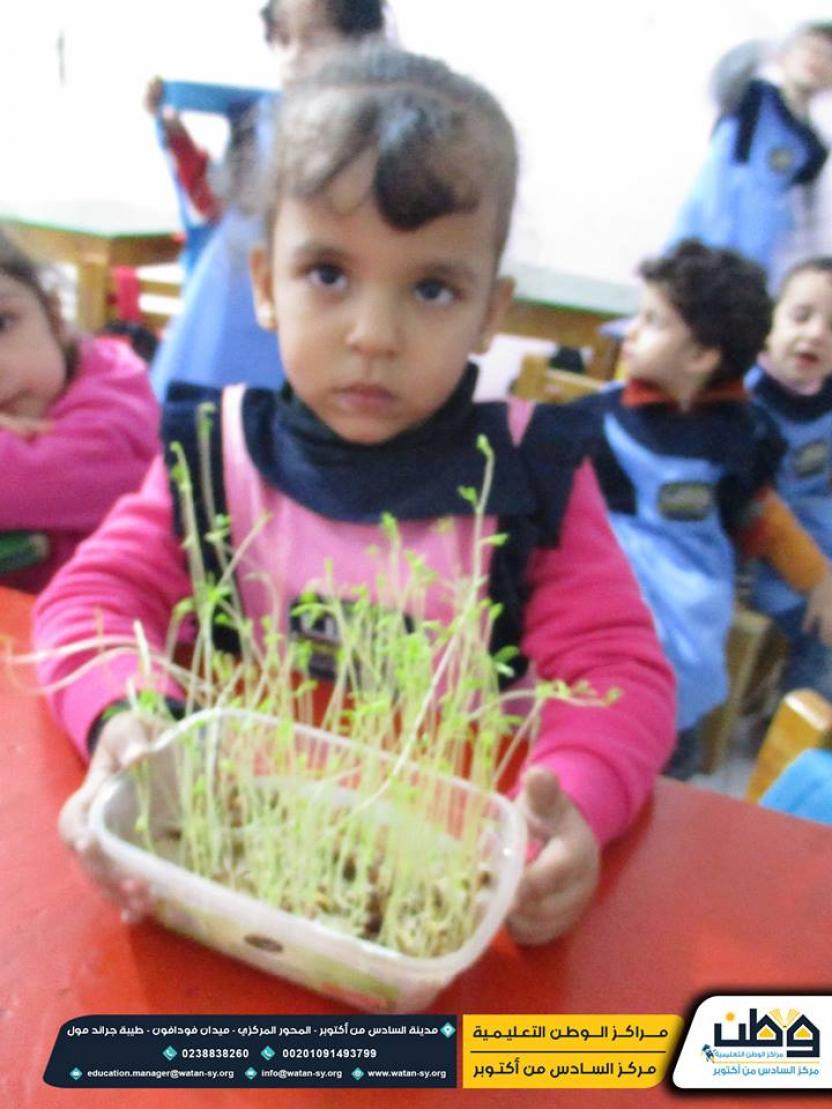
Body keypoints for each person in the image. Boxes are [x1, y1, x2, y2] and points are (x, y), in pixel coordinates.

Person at [36, 46, 675, 946]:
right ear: (265, 284)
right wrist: (126, 715)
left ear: (491, 311)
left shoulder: (527, 476)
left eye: (432, 287)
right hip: (225, 866)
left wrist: (571, 802)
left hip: (426, 893)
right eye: (329, 274)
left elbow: (617, 675)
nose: (375, 335)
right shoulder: (213, 458)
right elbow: (90, 602)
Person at [562, 239, 832, 779]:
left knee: (664, 766)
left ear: (701, 357)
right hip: (603, 617)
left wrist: (818, 578)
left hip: (687, 629)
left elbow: (764, 519)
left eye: (651, 321)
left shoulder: (744, 434)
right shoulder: (595, 420)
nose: (630, 331)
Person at [146, 0, 386, 401]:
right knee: (206, 425)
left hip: (309, 304)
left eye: (314, 38)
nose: (294, 56)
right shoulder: (261, 119)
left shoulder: (379, 132)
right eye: (283, 39)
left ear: (362, 43)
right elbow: (214, 204)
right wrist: (172, 128)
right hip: (229, 299)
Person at [0, 231, 159, 593]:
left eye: (2, 324)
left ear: (54, 317)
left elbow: (22, 483)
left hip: (125, 640)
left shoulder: (118, 412)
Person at [670, 22, 832, 286]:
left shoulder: (814, 146)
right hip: (697, 244)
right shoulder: (750, 96)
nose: (817, 59)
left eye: (828, 56)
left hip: (752, 266)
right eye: (810, 49)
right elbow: (728, 71)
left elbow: (806, 224)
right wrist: (772, 45)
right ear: (783, 55)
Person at [747, 257, 832, 700]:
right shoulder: (745, 401)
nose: (816, 333)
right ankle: (797, 739)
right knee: (825, 631)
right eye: (801, 316)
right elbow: (755, 508)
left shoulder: (826, 397)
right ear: (770, 322)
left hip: (816, 536)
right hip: (763, 552)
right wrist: (819, 579)